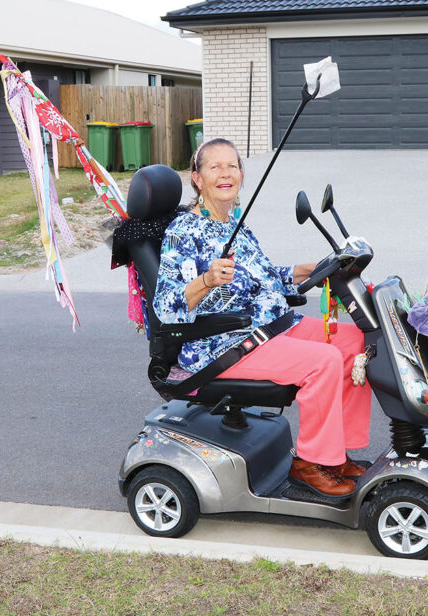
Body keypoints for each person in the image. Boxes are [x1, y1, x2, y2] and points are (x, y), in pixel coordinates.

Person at [153, 138, 372, 497]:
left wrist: (315, 268)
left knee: (355, 342)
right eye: (215, 167)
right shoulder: (182, 232)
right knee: (324, 361)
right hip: (226, 344)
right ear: (197, 178)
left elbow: (267, 276)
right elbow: (166, 306)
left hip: (271, 327)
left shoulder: (235, 224)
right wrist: (207, 280)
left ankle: (336, 454)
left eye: (232, 166)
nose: (226, 173)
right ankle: (309, 463)